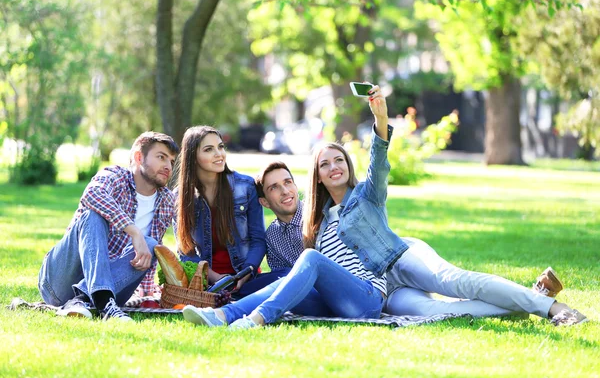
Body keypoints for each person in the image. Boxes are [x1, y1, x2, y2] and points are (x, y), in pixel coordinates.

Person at [252, 161, 585, 325]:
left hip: (396, 258)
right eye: (274, 190)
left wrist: (380, 121)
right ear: (265, 201)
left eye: (288, 184)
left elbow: (377, 165)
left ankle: (552, 308)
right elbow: (294, 281)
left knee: (455, 281)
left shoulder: (351, 199)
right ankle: (532, 298)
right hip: (379, 292)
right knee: (436, 312)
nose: (285, 193)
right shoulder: (294, 228)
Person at [181, 88, 393, 329]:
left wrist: (381, 119)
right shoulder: (319, 216)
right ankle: (221, 315)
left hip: (367, 299)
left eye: (339, 160)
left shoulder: (367, 199)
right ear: (319, 177)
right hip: (333, 301)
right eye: (324, 164)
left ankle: (256, 320)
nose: (333, 167)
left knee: (311, 257)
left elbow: (379, 166)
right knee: (283, 280)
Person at [38, 131, 180, 321]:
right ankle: (99, 300)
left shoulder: (166, 200)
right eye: (161, 157)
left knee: (153, 244)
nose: (167, 166)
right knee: (92, 215)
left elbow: (146, 258)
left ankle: (87, 300)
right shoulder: (114, 177)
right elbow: (92, 195)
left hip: (115, 287)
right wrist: (133, 231)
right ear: (139, 157)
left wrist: (147, 295)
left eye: (171, 161)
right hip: (59, 283)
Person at [174, 126, 268, 297]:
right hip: (206, 284)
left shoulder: (245, 187)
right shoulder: (180, 198)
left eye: (221, 147)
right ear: (192, 157)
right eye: (209, 149)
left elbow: (258, 240)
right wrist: (217, 279)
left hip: (247, 277)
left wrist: (246, 272)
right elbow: (186, 251)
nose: (219, 154)